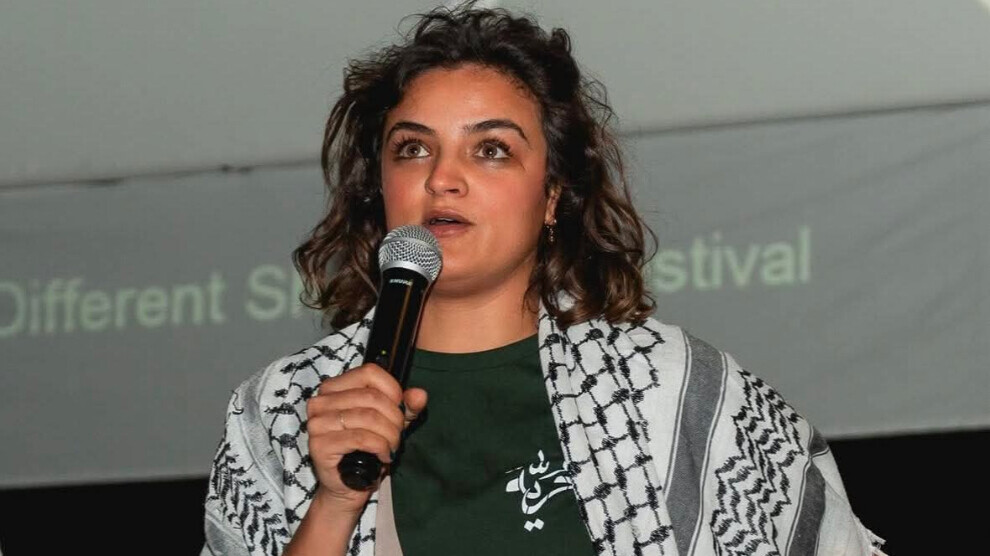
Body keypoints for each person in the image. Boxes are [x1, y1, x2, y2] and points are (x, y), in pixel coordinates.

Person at [202, 5, 884, 556]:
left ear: (553, 194)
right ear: (378, 187)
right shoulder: (285, 406)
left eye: (490, 149)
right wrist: (334, 504)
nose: (443, 178)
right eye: (412, 149)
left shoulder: (670, 389)